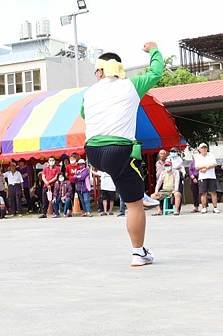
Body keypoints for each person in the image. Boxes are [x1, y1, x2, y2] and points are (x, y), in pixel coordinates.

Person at [82, 41, 164, 266]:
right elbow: (157, 71)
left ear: (99, 71)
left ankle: (137, 191)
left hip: (93, 152)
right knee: (134, 204)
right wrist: (154, 49)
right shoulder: (131, 85)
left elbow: (83, 113)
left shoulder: (88, 93)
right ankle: (139, 252)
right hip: (118, 150)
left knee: (123, 170)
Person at [194, 143, 220, 214]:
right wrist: (207, 166)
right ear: (199, 149)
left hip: (211, 176)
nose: (204, 149)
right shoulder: (197, 157)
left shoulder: (211, 155)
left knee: (213, 192)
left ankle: (215, 207)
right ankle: (204, 208)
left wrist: (206, 168)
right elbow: (197, 167)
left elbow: (214, 164)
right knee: (203, 193)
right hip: (202, 177)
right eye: (202, 148)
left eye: (205, 147)